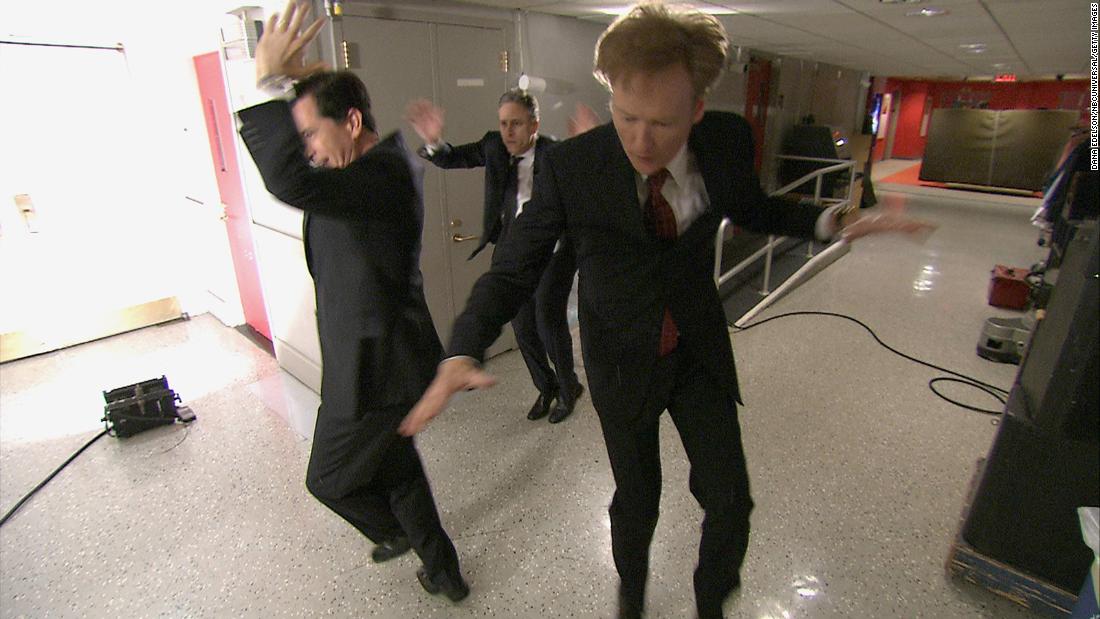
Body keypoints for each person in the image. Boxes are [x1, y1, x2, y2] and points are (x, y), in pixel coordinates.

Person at [398, 4, 933, 618]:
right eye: (626, 118)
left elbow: (752, 208)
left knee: (731, 498)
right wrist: (463, 346)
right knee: (638, 500)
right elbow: (514, 265)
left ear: (698, 111)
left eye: (663, 123)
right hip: (621, 358)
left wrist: (833, 219)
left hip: (695, 346)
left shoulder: (727, 140)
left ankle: (712, 603)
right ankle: (631, 598)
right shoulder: (573, 167)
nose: (641, 142)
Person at [236, 1, 467, 602]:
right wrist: (294, 91)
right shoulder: (363, 172)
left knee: (330, 480)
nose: (307, 147)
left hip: (377, 367)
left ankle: (400, 536)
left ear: (354, 120)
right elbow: (311, 186)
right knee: (394, 465)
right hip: (371, 357)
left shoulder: (384, 173)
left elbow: (291, 181)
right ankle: (444, 571)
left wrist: (266, 85)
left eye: (311, 132)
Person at [405, 91, 585, 424]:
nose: (508, 132)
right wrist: (435, 142)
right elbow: (452, 157)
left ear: (534, 124)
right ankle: (545, 387)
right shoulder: (494, 146)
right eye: (503, 123)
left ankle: (568, 387)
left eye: (516, 123)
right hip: (510, 248)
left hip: (552, 250)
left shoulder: (556, 153)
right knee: (522, 326)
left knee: (548, 319)